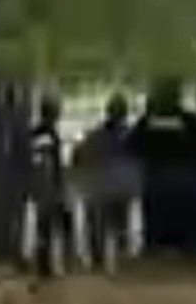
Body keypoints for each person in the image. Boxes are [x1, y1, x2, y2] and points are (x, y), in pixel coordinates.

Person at [127, 78, 196, 256]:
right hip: (186, 182)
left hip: (157, 183)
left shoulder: (146, 122)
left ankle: (156, 253)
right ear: (178, 97)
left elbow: (131, 148)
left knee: (156, 234)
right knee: (186, 234)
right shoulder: (193, 122)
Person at [71, 92, 140, 270]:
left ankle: (98, 259)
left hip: (98, 186)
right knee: (119, 223)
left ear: (108, 112)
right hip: (119, 186)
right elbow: (138, 162)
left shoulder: (94, 135)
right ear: (125, 113)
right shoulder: (131, 136)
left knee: (98, 224)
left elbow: (77, 156)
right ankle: (119, 258)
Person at [26, 93, 74, 275]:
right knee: (54, 225)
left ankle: (46, 262)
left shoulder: (43, 131)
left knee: (48, 226)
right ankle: (47, 264)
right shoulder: (45, 133)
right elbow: (45, 161)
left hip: (46, 185)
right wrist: (56, 187)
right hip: (48, 187)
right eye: (57, 110)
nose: (59, 113)